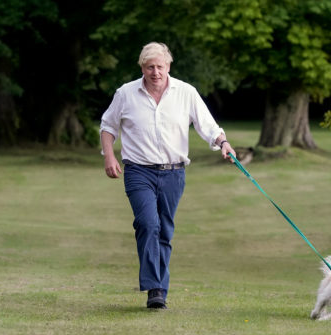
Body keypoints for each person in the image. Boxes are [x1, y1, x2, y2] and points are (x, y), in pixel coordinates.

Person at [100, 42, 236, 309]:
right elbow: (108, 126)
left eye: (160, 66)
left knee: (164, 230)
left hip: (174, 173)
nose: (155, 72)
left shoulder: (186, 92)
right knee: (147, 223)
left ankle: (159, 288)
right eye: (149, 67)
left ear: (168, 66)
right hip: (139, 171)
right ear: (142, 68)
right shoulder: (126, 94)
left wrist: (223, 143)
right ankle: (155, 287)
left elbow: (207, 125)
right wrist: (109, 155)